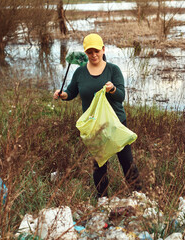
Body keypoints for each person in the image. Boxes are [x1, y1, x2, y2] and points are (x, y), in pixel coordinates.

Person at [53, 33, 141, 198]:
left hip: (116, 124)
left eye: (97, 51)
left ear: (103, 49)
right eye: (89, 52)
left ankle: (138, 195)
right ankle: (102, 198)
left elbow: (121, 96)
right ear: (86, 53)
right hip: (95, 125)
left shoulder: (113, 70)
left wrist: (112, 89)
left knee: (126, 161)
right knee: (99, 164)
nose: (93, 55)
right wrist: (63, 95)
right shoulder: (80, 72)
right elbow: (71, 92)